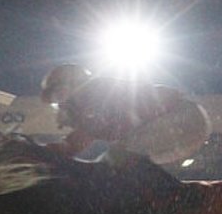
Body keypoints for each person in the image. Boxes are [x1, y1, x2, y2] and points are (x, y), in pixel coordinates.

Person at [39, 64, 211, 165]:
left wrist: (39, 154)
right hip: (185, 118)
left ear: (69, 85)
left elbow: (78, 141)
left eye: (57, 95)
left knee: (116, 160)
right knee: (125, 161)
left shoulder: (90, 94)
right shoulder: (91, 95)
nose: (58, 103)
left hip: (182, 117)